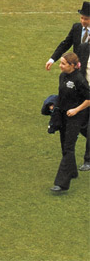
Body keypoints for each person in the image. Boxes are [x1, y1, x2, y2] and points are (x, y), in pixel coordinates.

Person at [49, 53, 90, 193]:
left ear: (72, 66)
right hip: (63, 115)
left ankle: (61, 184)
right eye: (60, 63)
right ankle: (72, 171)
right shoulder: (62, 76)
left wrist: (76, 110)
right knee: (64, 145)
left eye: (63, 64)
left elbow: (89, 99)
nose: (60, 66)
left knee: (68, 147)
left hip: (76, 117)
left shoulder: (79, 80)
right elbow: (62, 95)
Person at [46, 2, 90, 71]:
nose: (83, 21)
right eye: (81, 18)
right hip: (75, 69)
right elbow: (65, 44)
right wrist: (52, 59)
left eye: (86, 19)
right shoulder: (76, 28)